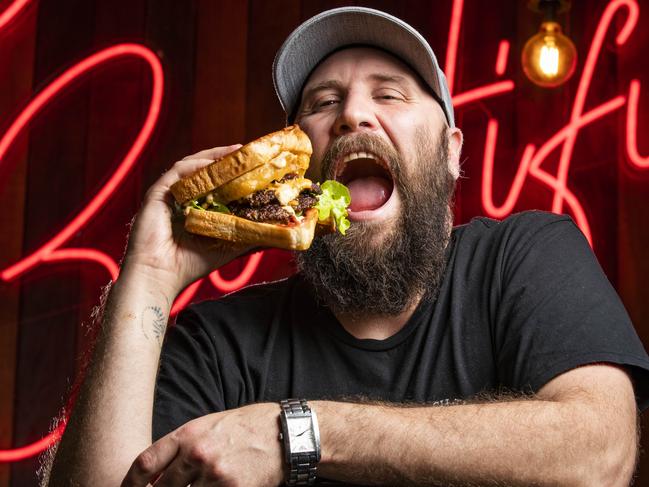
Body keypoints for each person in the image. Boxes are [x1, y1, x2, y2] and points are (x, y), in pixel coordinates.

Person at [45, 7, 649, 487]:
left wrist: (297, 435)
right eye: (322, 103)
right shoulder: (219, 342)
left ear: (451, 150)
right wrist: (148, 275)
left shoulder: (525, 256)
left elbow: (598, 455)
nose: (352, 114)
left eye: (389, 94)